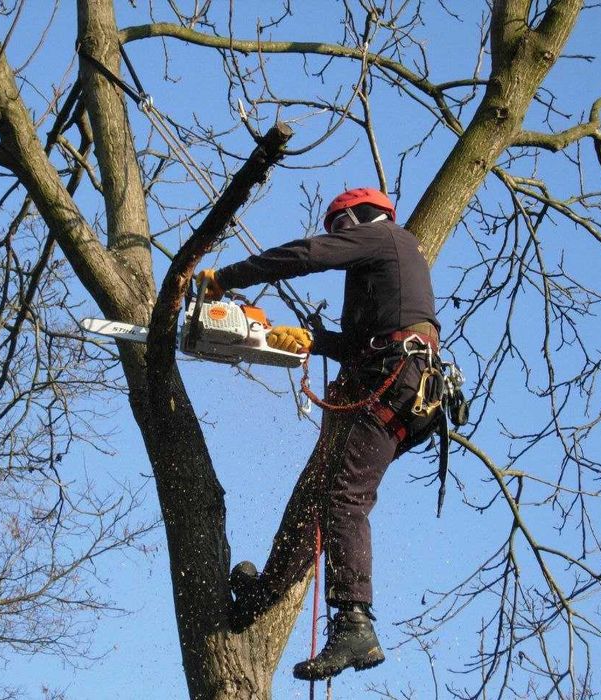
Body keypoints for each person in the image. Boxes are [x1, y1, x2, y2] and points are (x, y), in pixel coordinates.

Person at [196, 187, 441, 681]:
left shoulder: (386, 237)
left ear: (356, 218)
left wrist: (226, 278)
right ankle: (264, 595)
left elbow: (307, 256)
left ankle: (354, 621)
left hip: (395, 381)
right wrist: (312, 340)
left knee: (344, 498)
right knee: (315, 496)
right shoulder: (388, 276)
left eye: (339, 229)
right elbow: (358, 343)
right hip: (396, 383)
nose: (337, 240)